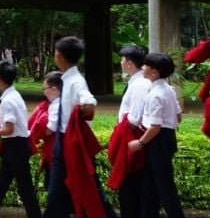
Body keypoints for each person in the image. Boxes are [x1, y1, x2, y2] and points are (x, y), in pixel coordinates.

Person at [43, 36, 116, 218]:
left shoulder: (76, 81)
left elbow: (89, 103)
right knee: (58, 189)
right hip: (63, 140)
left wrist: (77, 120)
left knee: (88, 185)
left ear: (58, 56)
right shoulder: (67, 79)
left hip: (71, 140)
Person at [127, 53, 185, 218]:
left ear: (154, 72)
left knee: (165, 187)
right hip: (165, 139)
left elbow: (155, 127)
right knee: (150, 185)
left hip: (157, 141)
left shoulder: (155, 94)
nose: (142, 67)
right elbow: (178, 116)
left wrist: (140, 142)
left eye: (146, 65)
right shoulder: (168, 89)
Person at [0, 60, 41, 218]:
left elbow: (9, 129)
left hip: (15, 147)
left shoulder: (8, 100)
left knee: (23, 190)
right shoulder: (15, 96)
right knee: (2, 189)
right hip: (16, 146)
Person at [111, 45, 150, 218]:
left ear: (129, 63)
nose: (120, 63)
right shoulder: (136, 82)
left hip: (133, 137)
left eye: (122, 60)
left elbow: (135, 119)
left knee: (131, 186)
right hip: (132, 135)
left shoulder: (139, 85)